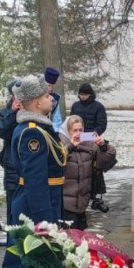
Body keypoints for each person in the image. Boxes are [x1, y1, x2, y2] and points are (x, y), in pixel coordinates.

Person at [0, 74, 66, 268]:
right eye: (47, 96)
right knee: (26, 262)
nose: (52, 98)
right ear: (36, 104)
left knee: (30, 260)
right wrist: (44, 220)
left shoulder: (36, 126)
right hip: (34, 203)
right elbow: (37, 180)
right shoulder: (31, 133)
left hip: (39, 200)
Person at [60, 115, 117, 230]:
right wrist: (70, 147)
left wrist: (103, 146)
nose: (78, 133)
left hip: (82, 202)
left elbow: (107, 161)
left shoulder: (89, 145)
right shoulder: (59, 144)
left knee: (80, 238)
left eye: (81, 130)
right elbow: (56, 163)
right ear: (67, 131)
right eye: (74, 130)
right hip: (64, 203)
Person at [70, 83, 110, 212]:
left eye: (85, 95)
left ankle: (97, 195)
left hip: (92, 139)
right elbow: (71, 121)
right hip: (77, 138)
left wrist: (89, 136)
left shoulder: (98, 107)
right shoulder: (75, 106)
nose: (83, 97)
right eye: (81, 94)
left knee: (95, 167)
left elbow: (101, 124)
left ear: (90, 94)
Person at [0, 79, 20, 230]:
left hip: (28, 165)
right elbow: (1, 131)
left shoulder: (31, 109)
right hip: (12, 166)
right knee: (13, 209)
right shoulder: (4, 112)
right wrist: (13, 112)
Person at [43, 67, 65, 134]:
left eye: (52, 86)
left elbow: (57, 120)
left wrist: (54, 132)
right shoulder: (36, 96)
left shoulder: (55, 98)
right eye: (48, 86)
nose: (50, 89)